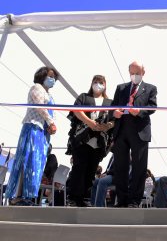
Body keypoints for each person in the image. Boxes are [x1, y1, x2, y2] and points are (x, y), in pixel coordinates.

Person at [5, 66, 58, 206]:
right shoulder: (37, 88)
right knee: (27, 161)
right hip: (33, 127)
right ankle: (17, 196)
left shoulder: (50, 95)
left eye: (54, 77)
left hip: (43, 132)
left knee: (36, 164)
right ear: (42, 76)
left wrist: (51, 126)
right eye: (50, 76)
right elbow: (40, 107)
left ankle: (27, 196)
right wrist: (51, 122)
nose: (53, 79)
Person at [111, 61, 157, 208]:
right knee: (120, 167)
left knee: (139, 167)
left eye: (137, 73)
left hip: (140, 131)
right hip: (121, 130)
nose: (134, 75)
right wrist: (115, 113)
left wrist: (139, 111)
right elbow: (112, 106)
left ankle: (134, 201)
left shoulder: (150, 88)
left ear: (143, 72)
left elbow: (152, 107)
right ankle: (122, 199)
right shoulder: (121, 88)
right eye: (132, 73)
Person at [66, 75, 114, 207]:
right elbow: (76, 110)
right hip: (82, 139)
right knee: (78, 168)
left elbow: (115, 119)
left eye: (101, 82)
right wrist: (89, 122)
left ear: (105, 85)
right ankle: (73, 198)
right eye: (95, 82)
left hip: (99, 142)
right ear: (91, 83)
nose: (98, 84)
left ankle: (84, 198)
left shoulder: (110, 102)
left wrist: (107, 126)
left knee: (91, 171)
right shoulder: (83, 97)